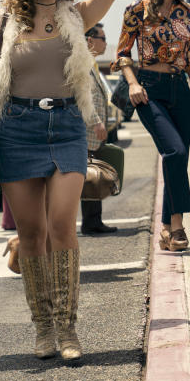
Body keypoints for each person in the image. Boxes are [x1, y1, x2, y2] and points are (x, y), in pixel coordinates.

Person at [0, 0, 145, 361]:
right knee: (31, 233)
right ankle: (43, 327)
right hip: (18, 127)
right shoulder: (2, 21)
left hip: (65, 126)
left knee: (63, 225)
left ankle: (68, 329)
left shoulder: (76, 15)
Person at [114, 0, 190, 254]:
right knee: (175, 151)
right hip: (148, 90)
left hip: (179, 89)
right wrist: (132, 83)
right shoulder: (137, 11)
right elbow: (122, 54)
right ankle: (177, 225)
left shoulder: (188, 13)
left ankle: (168, 230)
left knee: (178, 160)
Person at [81, 23, 118, 236]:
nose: (105, 42)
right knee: (89, 177)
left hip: (92, 134)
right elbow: (83, 98)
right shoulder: (83, 65)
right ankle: (91, 222)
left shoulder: (92, 64)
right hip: (86, 132)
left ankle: (93, 220)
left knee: (92, 177)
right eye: (102, 38)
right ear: (89, 40)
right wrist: (96, 121)